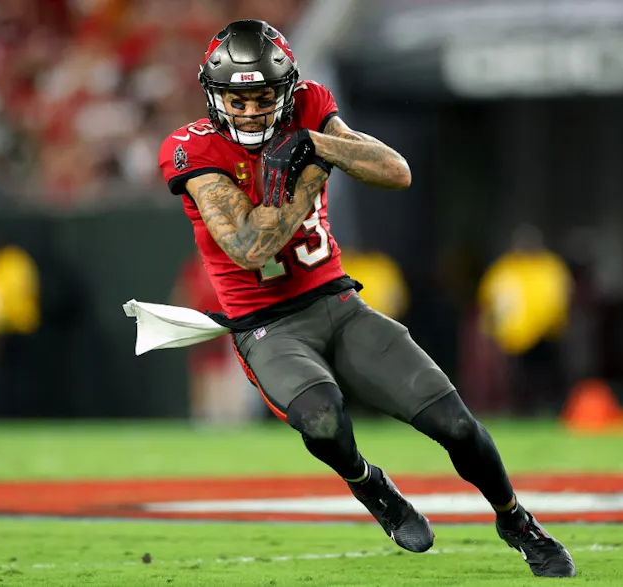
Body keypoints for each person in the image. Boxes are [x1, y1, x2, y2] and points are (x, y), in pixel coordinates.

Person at [157, 19, 575, 578]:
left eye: (262, 97)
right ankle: (368, 484)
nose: (252, 111)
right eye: (238, 98)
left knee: (455, 424)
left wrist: (317, 144)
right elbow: (251, 246)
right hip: (268, 326)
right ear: (216, 96)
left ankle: (516, 519)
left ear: (285, 91)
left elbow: (395, 170)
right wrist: (305, 178)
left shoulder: (310, 106)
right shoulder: (189, 149)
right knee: (322, 419)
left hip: (338, 303)